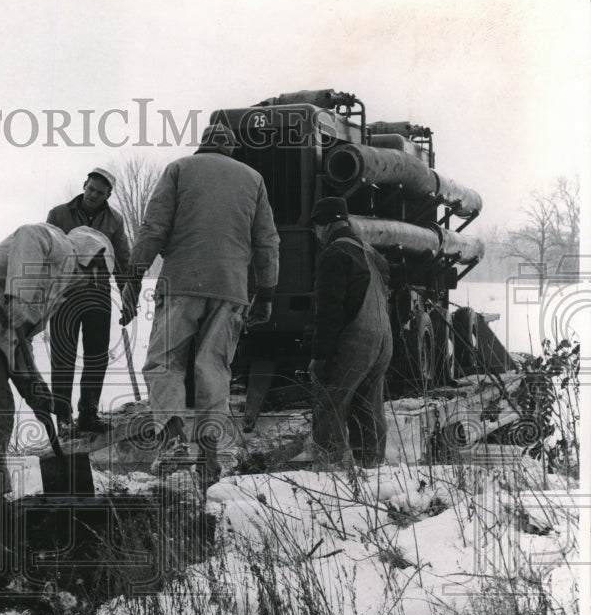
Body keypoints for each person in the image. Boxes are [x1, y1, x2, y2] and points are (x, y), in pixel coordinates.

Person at [0, 223, 115, 553]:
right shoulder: (58, 245)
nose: (95, 287)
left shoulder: (54, 287)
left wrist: (38, 393)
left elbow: (17, 341)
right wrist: (18, 298)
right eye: (98, 277)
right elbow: (29, 234)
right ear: (92, 259)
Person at [121, 123, 279, 483]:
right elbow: (267, 241)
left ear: (203, 145)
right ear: (232, 149)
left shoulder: (179, 169)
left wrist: (134, 276)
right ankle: (209, 454)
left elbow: (153, 228)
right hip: (230, 288)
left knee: (164, 360)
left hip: (181, 283)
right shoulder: (253, 179)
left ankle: (173, 439)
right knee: (214, 367)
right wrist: (266, 292)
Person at [306, 196, 393, 471]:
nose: (316, 235)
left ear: (326, 225)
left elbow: (329, 313)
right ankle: (372, 470)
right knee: (368, 406)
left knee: (330, 403)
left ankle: (330, 474)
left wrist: (319, 358)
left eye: (316, 228)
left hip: (357, 340)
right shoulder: (370, 252)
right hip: (383, 341)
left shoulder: (334, 254)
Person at [46, 167, 131, 434]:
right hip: (65, 294)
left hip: (98, 294)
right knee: (63, 356)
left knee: (96, 356)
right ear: (85, 184)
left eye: (100, 192)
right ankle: (62, 418)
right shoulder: (58, 214)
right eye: (91, 189)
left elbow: (123, 261)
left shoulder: (115, 220)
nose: (93, 195)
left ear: (108, 195)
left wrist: (129, 298)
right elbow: (46, 252)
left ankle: (88, 414)